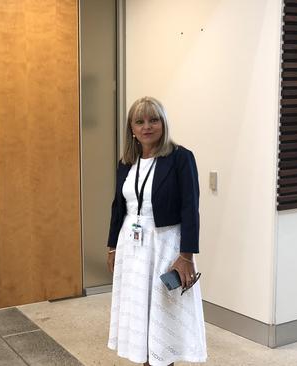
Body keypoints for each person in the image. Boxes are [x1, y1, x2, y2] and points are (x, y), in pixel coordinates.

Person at [106, 97, 207, 366]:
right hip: (131, 245)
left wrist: (186, 256)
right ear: (132, 128)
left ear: (163, 123)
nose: (147, 126)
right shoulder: (127, 162)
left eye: (154, 120)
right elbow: (119, 206)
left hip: (165, 244)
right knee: (139, 316)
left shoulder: (180, 158)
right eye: (140, 121)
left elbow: (190, 208)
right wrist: (112, 246)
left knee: (162, 318)